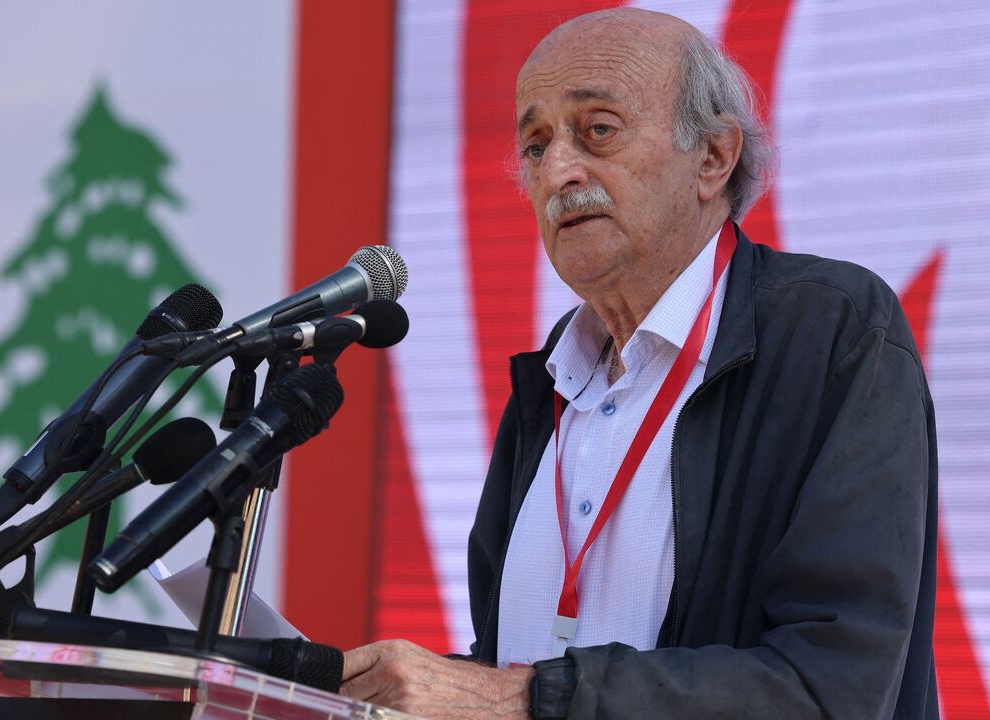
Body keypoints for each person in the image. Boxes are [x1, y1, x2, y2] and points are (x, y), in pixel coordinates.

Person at [340, 8, 938, 719]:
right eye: (535, 145)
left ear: (713, 157)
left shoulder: (833, 332)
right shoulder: (555, 377)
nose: (557, 172)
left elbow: (832, 687)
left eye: (598, 130)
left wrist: (523, 698)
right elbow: (519, 663)